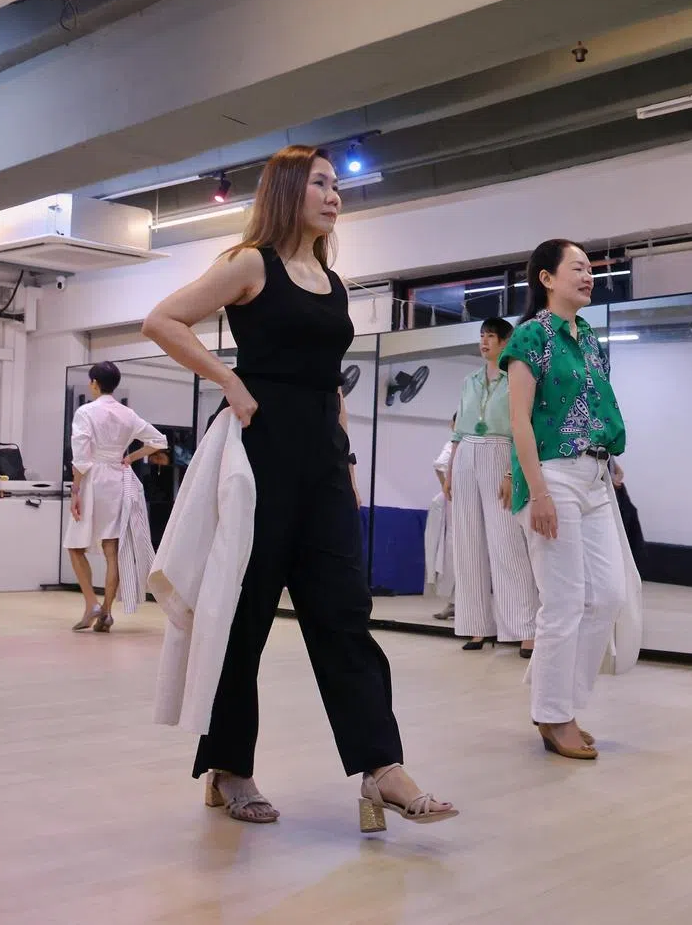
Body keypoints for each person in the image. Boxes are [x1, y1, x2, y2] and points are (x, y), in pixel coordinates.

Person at [143, 144, 456, 828]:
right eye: (319, 182)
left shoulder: (334, 283)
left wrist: (345, 465)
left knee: (345, 615)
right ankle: (229, 766)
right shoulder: (249, 263)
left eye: (337, 185)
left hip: (321, 459)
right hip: (260, 460)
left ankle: (383, 767)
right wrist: (228, 381)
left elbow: (329, 382)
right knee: (244, 619)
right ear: (287, 191)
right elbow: (162, 320)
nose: (333, 195)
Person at [501, 239, 629, 761]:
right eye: (576, 268)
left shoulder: (590, 339)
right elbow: (519, 421)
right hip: (552, 475)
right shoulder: (531, 336)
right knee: (563, 600)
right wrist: (538, 491)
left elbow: (596, 406)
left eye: (590, 268)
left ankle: (561, 705)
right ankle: (555, 715)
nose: (588, 275)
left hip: (594, 475)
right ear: (546, 279)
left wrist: (609, 457)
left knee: (608, 596)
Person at [446, 319, 537, 654]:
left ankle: (526, 629)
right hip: (467, 452)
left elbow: (522, 428)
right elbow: (458, 431)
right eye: (481, 336)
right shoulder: (468, 381)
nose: (484, 342)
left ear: (506, 341)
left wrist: (514, 474)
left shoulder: (517, 379)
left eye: (491, 336)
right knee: (467, 543)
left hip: (501, 452)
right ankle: (475, 627)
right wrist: (453, 469)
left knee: (507, 544)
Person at [63, 361, 167, 632]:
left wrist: (75, 490)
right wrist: (130, 457)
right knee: (112, 550)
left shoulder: (86, 412)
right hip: (119, 479)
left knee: (75, 546)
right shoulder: (128, 414)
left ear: (95, 383)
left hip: (93, 479)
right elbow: (159, 441)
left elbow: (81, 457)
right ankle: (106, 612)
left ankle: (91, 603)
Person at [429, 416, 455, 620]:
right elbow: (439, 465)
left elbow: (439, 465)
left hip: (458, 502)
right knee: (454, 553)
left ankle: (457, 603)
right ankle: (455, 602)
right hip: (455, 504)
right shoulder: (453, 444)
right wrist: (447, 487)